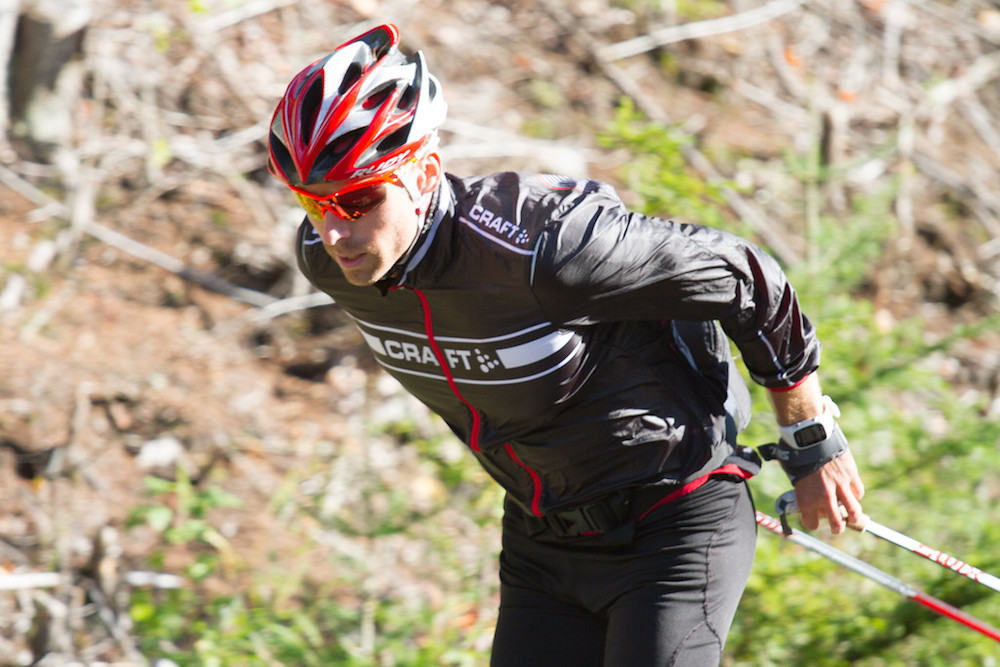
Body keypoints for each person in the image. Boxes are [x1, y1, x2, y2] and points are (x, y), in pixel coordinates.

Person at [266, 24, 866, 666]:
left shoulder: (545, 249)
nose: (333, 231)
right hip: (540, 542)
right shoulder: (327, 261)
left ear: (424, 174)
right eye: (311, 200)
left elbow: (747, 278)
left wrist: (809, 441)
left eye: (357, 199)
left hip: (673, 522)